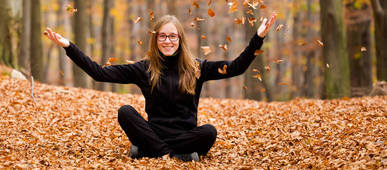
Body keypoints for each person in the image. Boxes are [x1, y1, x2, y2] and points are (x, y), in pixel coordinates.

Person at [45, 12, 276, 162]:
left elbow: (236, 68)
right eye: (162, 36)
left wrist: (258, 38)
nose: (167, 41)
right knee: (125, 111)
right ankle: (174, 155)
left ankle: (148, 151)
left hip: (187, 135)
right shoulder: (144, 69)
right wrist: (68, 46)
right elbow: (99, 73)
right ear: (156, 40)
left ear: (180, 39)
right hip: (154, 132)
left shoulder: (198, 68)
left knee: (210, 131)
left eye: (172, 36)